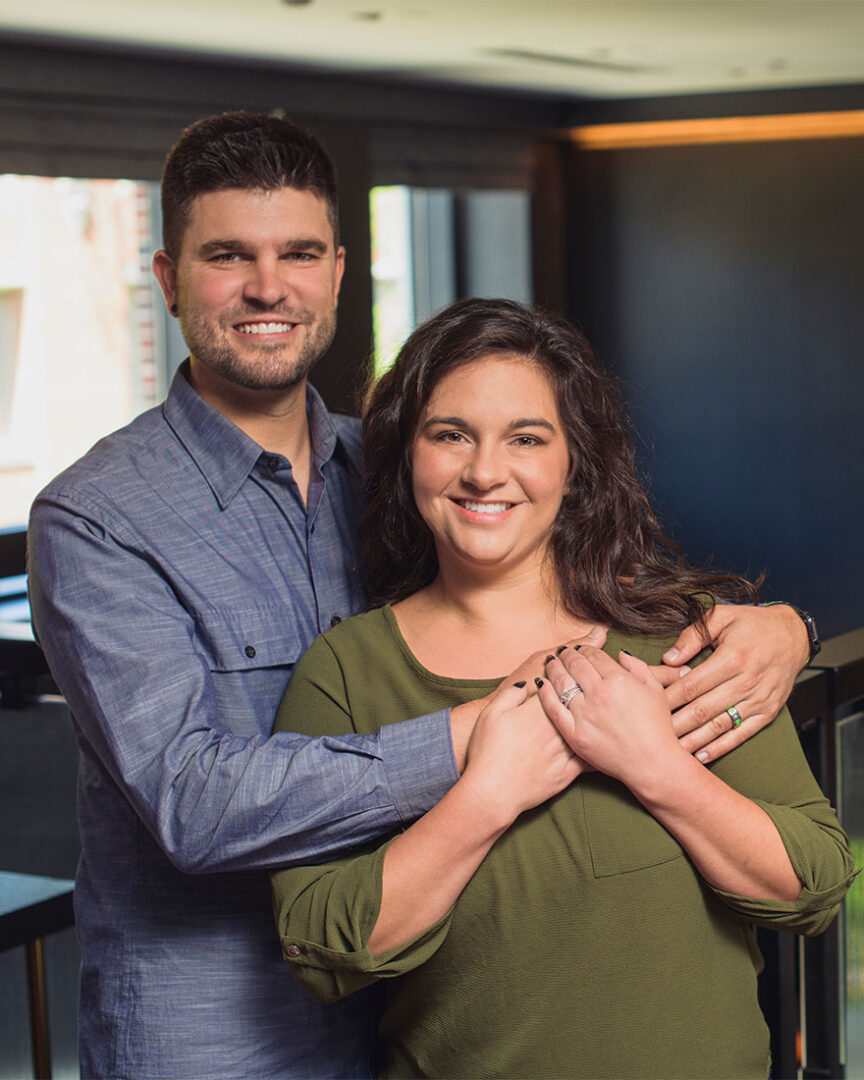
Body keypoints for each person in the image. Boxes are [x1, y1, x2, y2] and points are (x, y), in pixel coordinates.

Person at [26, 109, 809, 1079]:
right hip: (215, 1035)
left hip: (413, 1010)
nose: (269, 287)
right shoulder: (97, 518)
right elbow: (190, 801)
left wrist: (781, 627)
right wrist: (479, 736)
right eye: (228, 255)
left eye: (299, 253)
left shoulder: (403, 464)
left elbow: (578, 587)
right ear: (168, 278)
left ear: (339, 273)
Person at [269, 298, 855, 1079]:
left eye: (526, 438)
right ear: (406, 452)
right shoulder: (345, 671)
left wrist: (657, 767)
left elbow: (814, 884)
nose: (485, 471)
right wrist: (487, 796)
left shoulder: (677, 637)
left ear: (573, 460)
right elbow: (320, 943)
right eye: (450, 435)